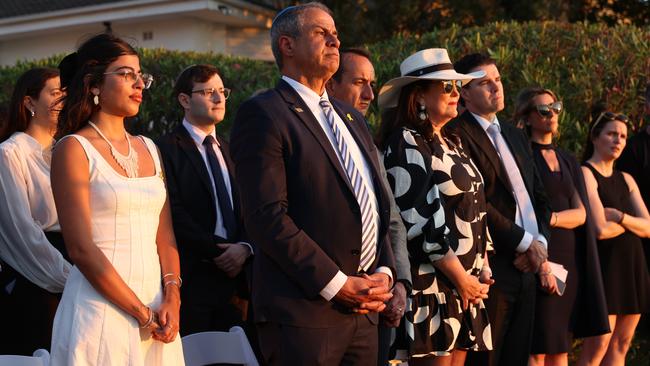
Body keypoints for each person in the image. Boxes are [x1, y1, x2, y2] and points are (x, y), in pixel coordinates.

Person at [229, 3, 395, 365]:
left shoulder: (350, 116)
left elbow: (373, 203)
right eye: (321, 32)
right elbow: (267, 217)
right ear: (287, 45)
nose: (335, 40)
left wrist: (384, 271)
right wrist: (337, 284)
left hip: (364, 311)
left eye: (335, 32)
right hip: (303, 316)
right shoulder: (263, 113)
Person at [49, 33, 184, 365]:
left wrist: (173, 297)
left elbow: (164, 236)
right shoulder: (73, 149)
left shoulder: (150, 148)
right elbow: (80, 248)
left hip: (158, 312)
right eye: (126, 74)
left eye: (141, 76)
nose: (139, 84)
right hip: (100, 312)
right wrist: (140, 312)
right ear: (94, 84)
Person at [377, 48, 492, 365]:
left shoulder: (453, 141)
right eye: (447, 87)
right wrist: (461, 278)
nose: (457, 93)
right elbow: (420, 220)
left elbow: (476, 209)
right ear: (419, 97)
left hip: (464, 288)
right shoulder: (406, 140)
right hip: (433, 288)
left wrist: (482, 268)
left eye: (458, 87)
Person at [446, 53, 551, 366]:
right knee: (486, 360)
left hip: (529, 267)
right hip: (492, 267)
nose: (496, 88)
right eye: (485, 83)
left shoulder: (516, 135)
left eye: (498, 80)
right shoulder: (456, 133)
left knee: (518, 357)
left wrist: (540, 245)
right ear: (464, 92)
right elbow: (477, 202)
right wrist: (524, 242)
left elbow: (539, 198)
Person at [326, 47, 411, 366]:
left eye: (372, 84)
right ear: (331, 85)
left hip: (377, 300)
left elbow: (390, 221)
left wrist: (397, 280)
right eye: (359, 82)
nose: (369, 94)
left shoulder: (368, 143)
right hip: (326, 305)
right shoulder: (310, 136)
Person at [513, 87, 609, 366]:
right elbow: (523, 208)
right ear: (528, 117)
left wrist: (551, 218)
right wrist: (549, 227)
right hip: (539, 255)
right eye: (544, 109)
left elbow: (581, 215)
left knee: (561, 346)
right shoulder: (522, 156)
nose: (552, 114)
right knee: (537, 346)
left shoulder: (567, 159)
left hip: (570, 260)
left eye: (556, 107)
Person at [156, 64, 253, 336]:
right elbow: (171, 210)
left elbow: (250, 206)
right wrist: (218, 250)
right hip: (193, 277)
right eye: (209, 91)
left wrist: (244, 247)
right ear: (185, 100)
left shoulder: (231, 149)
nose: (219, 99)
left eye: (222, 91)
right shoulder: (165, 148)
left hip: (237, 281)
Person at [0, 68, 71, 355]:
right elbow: (20, 231)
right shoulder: (10, 153)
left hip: (76, 262)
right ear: (29, 103)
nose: (64, 100)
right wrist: (70, 277)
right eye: (55, 93)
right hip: (34, 278)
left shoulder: (69, 151)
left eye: (67, 93)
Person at [580, 111, 650, 365]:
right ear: (595, 137)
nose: (618, 140)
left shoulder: (627, 179)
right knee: (598, 346)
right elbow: (599, 229)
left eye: (622, 136)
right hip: (606, 268)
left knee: (622, 344)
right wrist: (634, 224)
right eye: (611, 134)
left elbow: (649, 228)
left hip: (633, 267)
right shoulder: (586, 173)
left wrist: (620, 217)